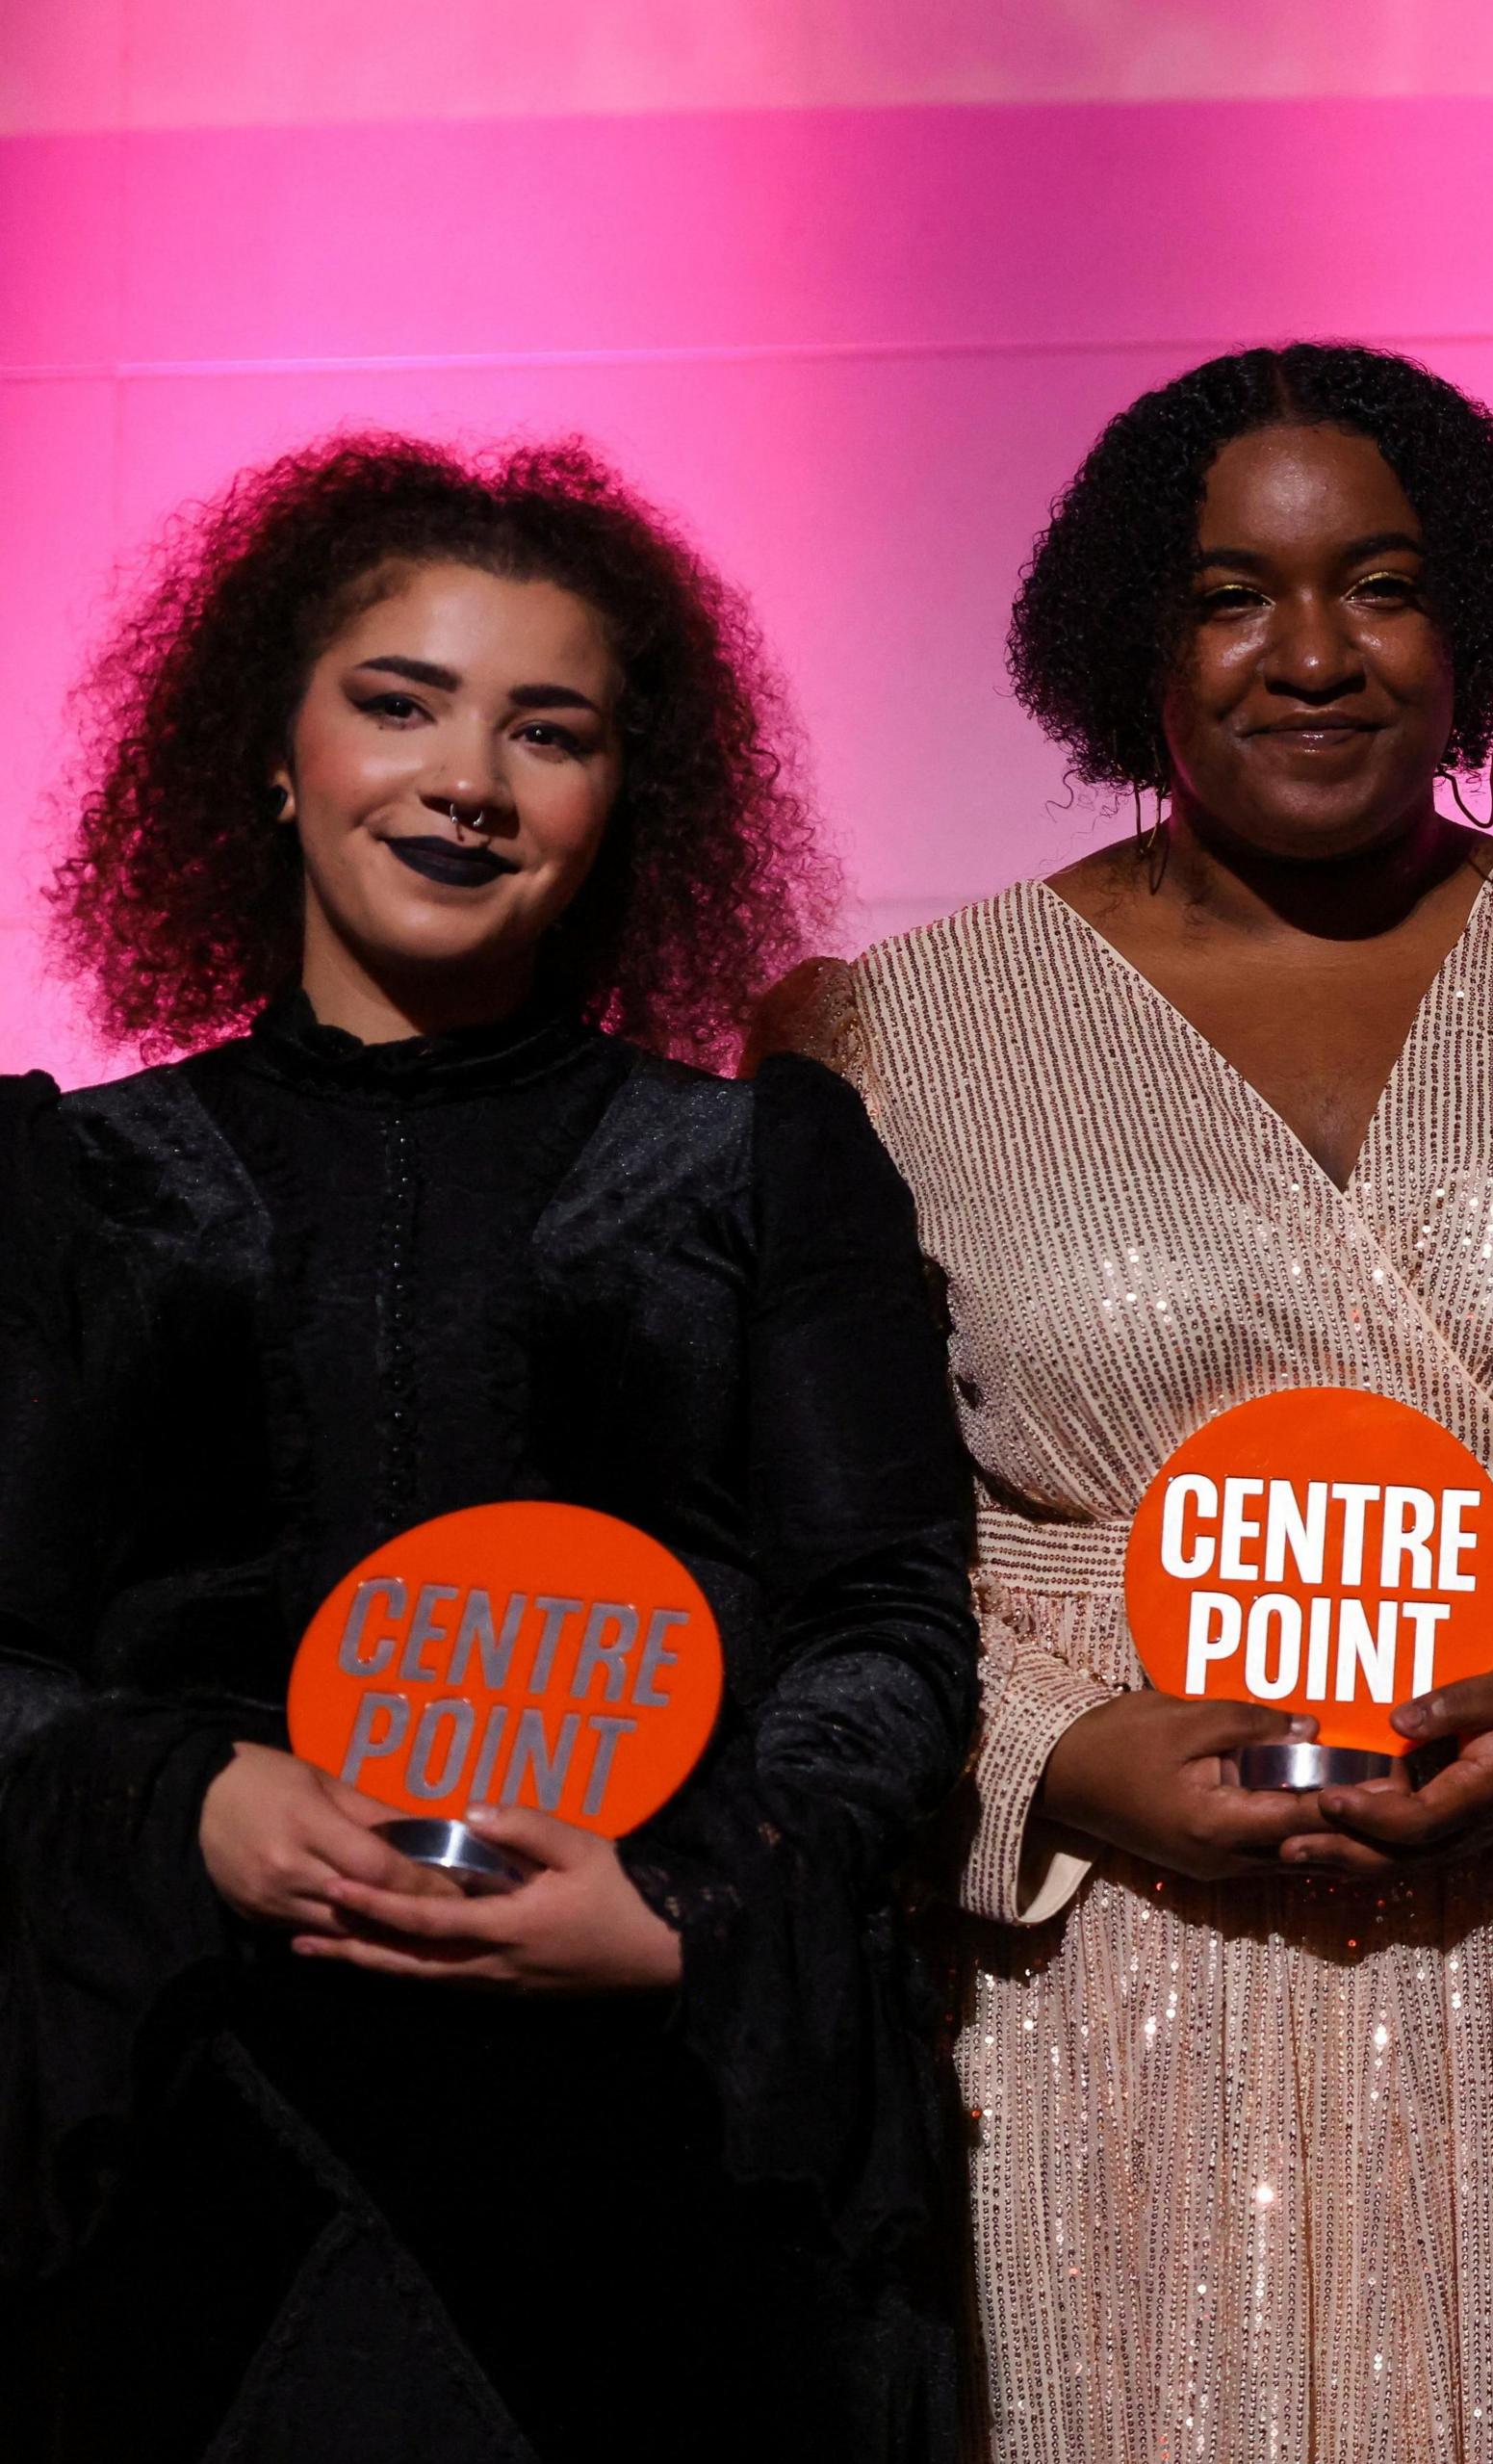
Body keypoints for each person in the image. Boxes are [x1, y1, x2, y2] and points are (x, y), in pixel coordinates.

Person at [762, 341, 1493, 2463]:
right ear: (1128, 642)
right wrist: (1063, 1761)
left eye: (1384, 583)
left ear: (1484, 626)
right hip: (1102, 1994)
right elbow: (830, 1542)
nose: (1316, 652)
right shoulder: (893, 1032)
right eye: (1233, 595)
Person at [0, 435, 980, 2460]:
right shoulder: (70, 1184)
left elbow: (883, 1623)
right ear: (270, 750)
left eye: (552, 731)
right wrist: (190, 1795)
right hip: (181, 2131)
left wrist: (689, 1908)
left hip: (652, 2138)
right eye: (399, 702)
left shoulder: (758, 1167)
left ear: (626, 801)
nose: (468, 779)